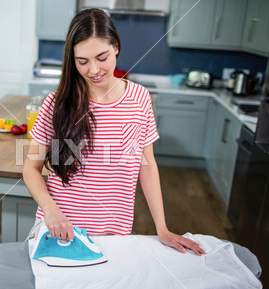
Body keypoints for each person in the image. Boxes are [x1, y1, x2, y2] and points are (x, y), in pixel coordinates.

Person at [23, 8, 205, 256]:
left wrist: (161, 228)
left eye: (102, 57)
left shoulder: (140, 98)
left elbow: (147, 164)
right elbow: (30, 169)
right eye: (82, 61)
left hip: (114, 234)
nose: (94, 70)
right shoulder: (56, 103)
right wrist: (51, 211)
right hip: (57, 230)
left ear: (116, 47)